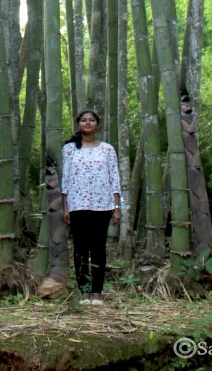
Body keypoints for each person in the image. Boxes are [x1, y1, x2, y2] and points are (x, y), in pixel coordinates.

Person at [61, 109, 122, 305]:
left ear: (97, 124)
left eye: (92, 120)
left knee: (98, 247)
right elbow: (65, 180)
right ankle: (84, 290)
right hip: (77, 205)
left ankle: (97, 291)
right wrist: (65, 207)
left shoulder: (107, 149)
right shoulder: (70, 149)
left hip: (102, 205)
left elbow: (114, 178)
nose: (87, 123)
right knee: (80, 248)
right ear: (79, 124)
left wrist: (117, 206)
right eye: (84, 120)